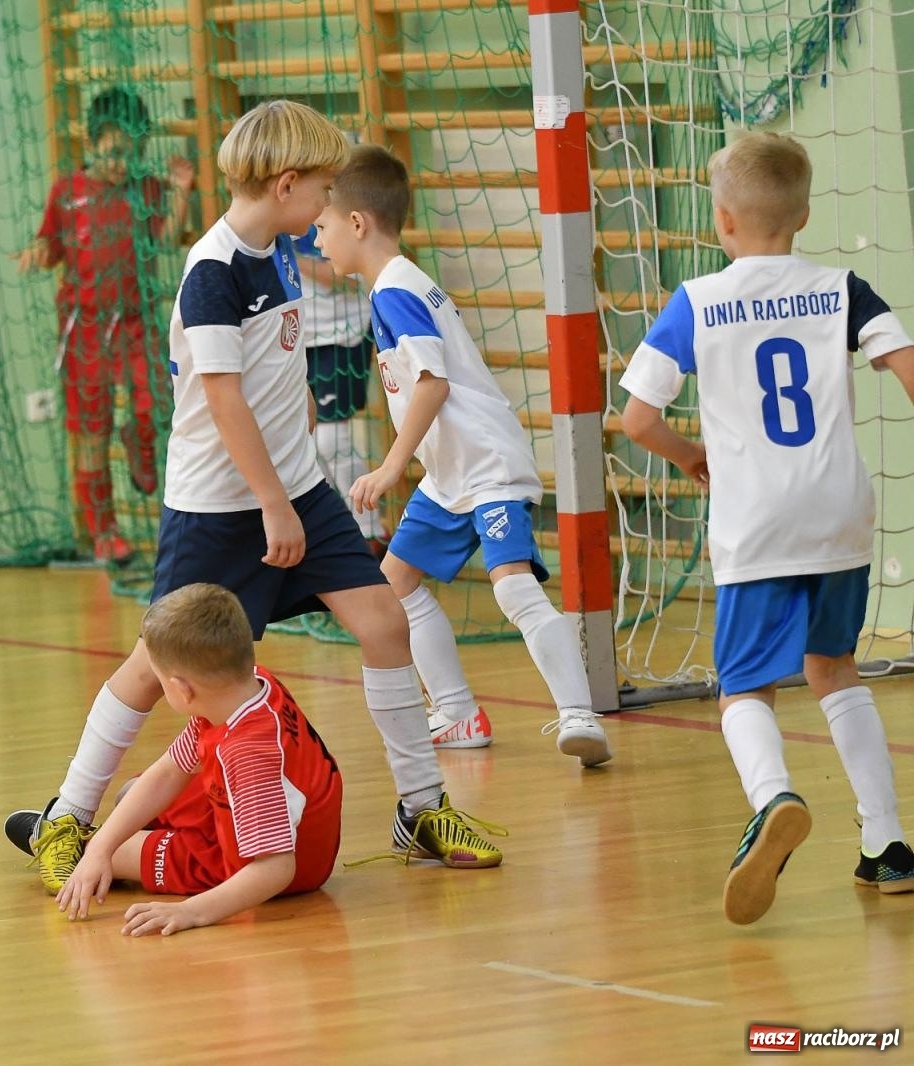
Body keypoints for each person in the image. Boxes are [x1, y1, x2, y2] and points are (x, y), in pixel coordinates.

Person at [6, 101, 504, 894]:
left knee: (383, 622)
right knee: (148, 668)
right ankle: (68, 815)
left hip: (297, 485)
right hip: (221, 505)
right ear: (286, 183)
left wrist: (298, 421)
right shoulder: (212, 271)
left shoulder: (278, 249)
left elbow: (274, 362)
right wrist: (272, 503)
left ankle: (421, 807)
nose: (330, 203)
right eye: (324, 187)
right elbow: (224, 399)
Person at [620, 131, 914, 922]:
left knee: (745, 685)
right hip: (840, 515)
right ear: (805, 215)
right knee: (836, 669)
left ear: (722, 221)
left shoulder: (699, 300)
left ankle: (772, 797)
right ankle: (886, 843)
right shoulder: (842, 288)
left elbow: (637, 418)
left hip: (757, 522)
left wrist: (689, 457)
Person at [314, 145, 612, 767]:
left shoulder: (395, 289)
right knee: (394, 586)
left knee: (513, 590)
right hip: (450, 473)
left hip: (485, 465)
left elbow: (432, 383)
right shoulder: (396, 286)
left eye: (322, 224)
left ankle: (581, 715)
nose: (317, 238)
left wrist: (393, 465)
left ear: (358, 223)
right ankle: (457, 713)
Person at [41, 584, 341, 937]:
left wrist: (191, 912)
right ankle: (108, 844)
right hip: (251, 816)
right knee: (131, 796)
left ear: (182, 689)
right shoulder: (244, 689)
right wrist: (101, 848)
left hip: (262, 869)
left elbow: (276, 868)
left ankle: (77, 842)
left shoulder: (248, 755)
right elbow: (170, 771)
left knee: (113, 852)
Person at [18, 88, 194, 564]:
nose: (123, 164)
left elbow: (166, 238)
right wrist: (36, 253)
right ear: (92, 143)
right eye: (115, 152)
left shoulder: (146, 190)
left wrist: (180, 188)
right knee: (90, 431)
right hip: (85, 332)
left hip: (135, 324)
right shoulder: (67, 192)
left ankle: (138, 441)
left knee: (153, 402)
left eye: (132, 153)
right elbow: (50, 244)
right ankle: (104, 531)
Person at [292, 223, 386, 551]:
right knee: (308, 443)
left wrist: (288, 255)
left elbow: (340, 278)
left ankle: (370, 533)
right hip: (301, 339)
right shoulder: (277, 217)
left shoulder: (332, 213)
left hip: (342, 336)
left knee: (332, 440)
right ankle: (342, 530)